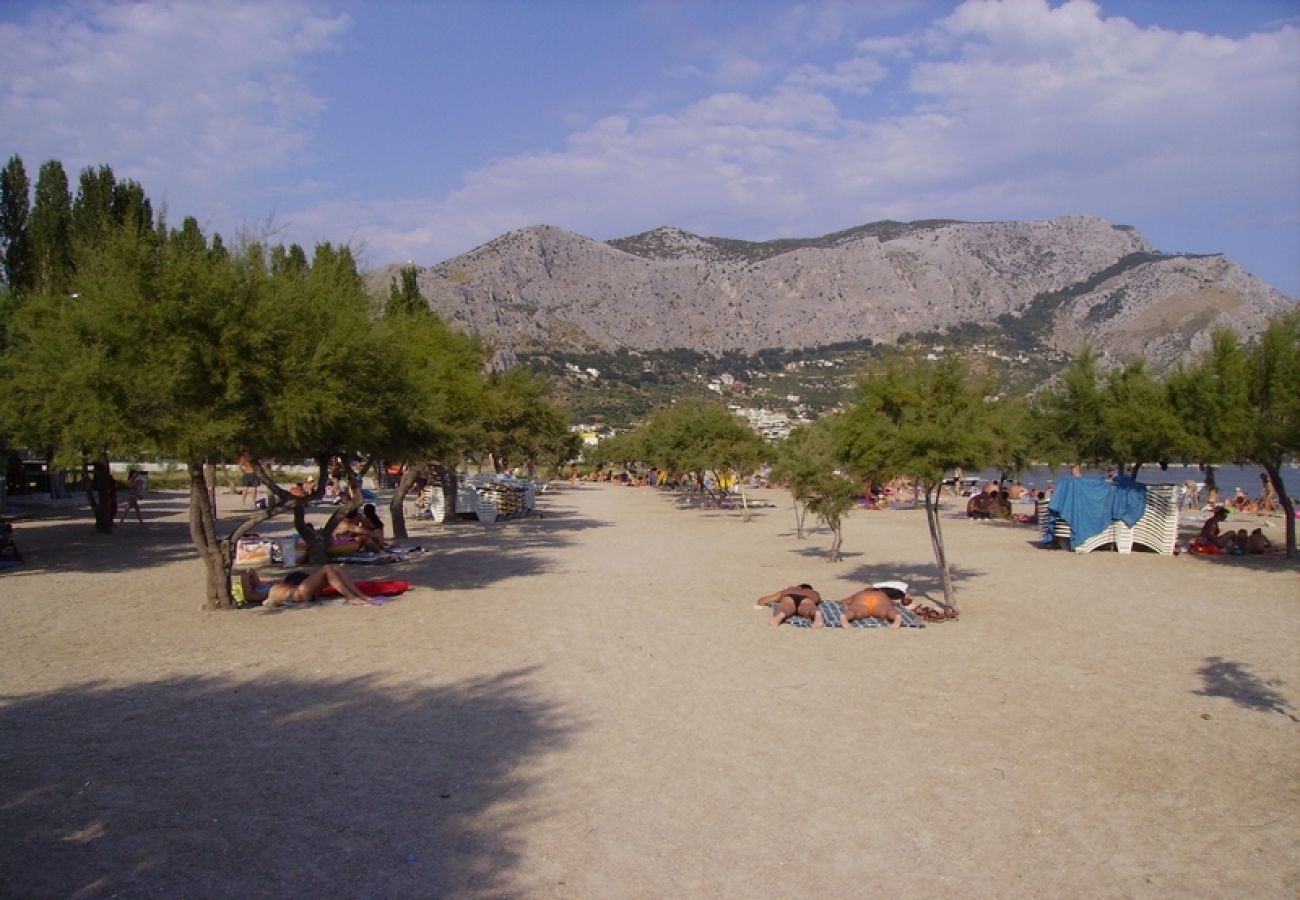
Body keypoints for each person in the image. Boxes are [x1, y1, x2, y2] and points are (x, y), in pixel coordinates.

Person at [241, 564, 378, 607]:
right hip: (295, 594)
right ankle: (351, 597)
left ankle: (360, 595)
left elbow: (251, 572)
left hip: (299, 591)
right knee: (326, 568)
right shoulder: (255, 594)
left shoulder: (260, 586)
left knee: (334, 567)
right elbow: (245, 577)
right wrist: (245, 576)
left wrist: (250, 574)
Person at [840, 586, 912, 629]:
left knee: (854, 611)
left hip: (862, 602)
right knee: (887, 610)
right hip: (879, 602)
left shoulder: (860, 593)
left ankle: (845, 617)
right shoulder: (881, 594)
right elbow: (890, 603)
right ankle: (897, 617)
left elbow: (844, 601)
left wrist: (849, 602)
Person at [756, 584, 825, 628]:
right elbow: (818, 600)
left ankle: (781, 614)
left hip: (789, 596)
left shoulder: (789, 590)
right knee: (808, 607)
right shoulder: (814, 593)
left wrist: (783, 590)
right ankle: (816, 614)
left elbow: (762, 600)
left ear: (798, 586)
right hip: (807, 598)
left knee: (785, 607)